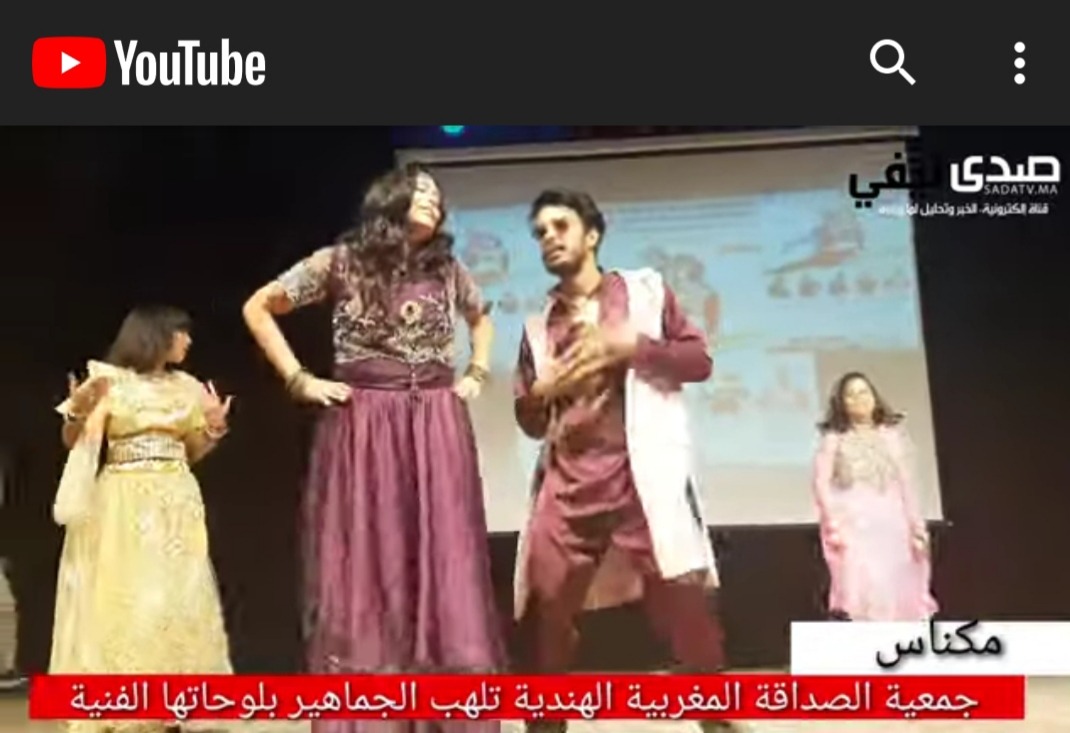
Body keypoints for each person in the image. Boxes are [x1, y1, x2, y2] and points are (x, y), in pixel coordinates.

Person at [242, 165, 504, 733]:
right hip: (366, 420)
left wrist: (477, 372)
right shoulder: (339, 262)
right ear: (392, 200)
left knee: (441, 551)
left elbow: (482, 320)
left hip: (433, 419)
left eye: (437, 196)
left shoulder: (447, 269)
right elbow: (258, 306)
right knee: (368, 551)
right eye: (422, 193)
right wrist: (299, 380)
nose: (433, 202)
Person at [512, 189, 740, 733]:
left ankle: (717, 716)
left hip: (640, 474)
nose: (549, 238)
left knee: (682, 600)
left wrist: (632, 348)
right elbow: (529, 421)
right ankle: (545, 722)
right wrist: (542, 391)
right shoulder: (539, 326)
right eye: (540, 232)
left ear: (592, 235)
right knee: (546, 606)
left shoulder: (644, 292)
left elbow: (699, 361)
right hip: (568, 482)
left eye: (560, 226)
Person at [50, 305, 234, 733]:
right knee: (129, 594)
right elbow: (74, 440)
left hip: (176, 499)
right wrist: (77, 411)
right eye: (182, 333)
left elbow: (191, 451)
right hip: (124, 500)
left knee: (177, 595)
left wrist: (212, 428)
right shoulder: (109, 381)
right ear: (157, 335)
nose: (188, 341)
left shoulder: (188, 387)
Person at [811, 371, 938, 621]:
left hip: (893, 525)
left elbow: (907, 484)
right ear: (841, 403)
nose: (859, 399)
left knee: (898, 586)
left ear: (874, 397)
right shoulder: (833, 440)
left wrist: (917, 527)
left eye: (864, 392)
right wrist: (833, 524)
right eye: (851, 395)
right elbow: (820, 484)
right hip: (854, 527)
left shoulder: (892, 437)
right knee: (864, 589)